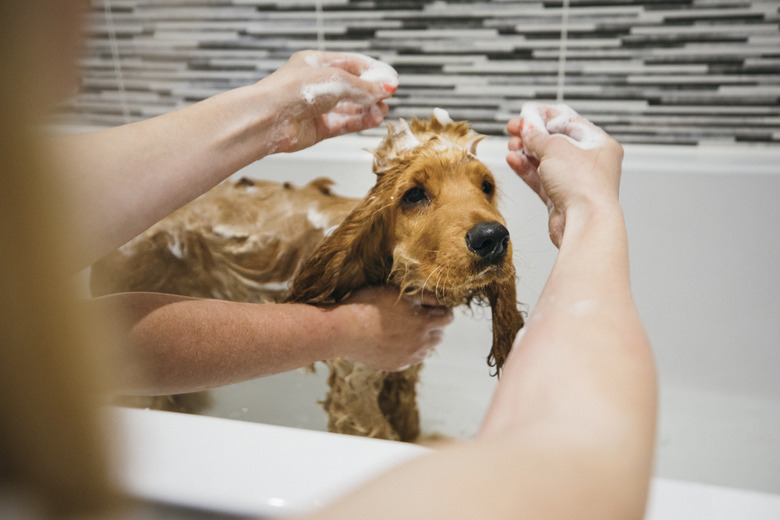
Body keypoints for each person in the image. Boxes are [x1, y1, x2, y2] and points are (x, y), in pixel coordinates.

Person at [0, 2, 656, 519]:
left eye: (486, 188)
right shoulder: (363, 252)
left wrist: (270, 111)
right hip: (179, 260)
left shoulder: (26, 276)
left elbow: (71, 338)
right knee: (164, 414)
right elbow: (573, 468)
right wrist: (595, 210)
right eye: (419, 197)